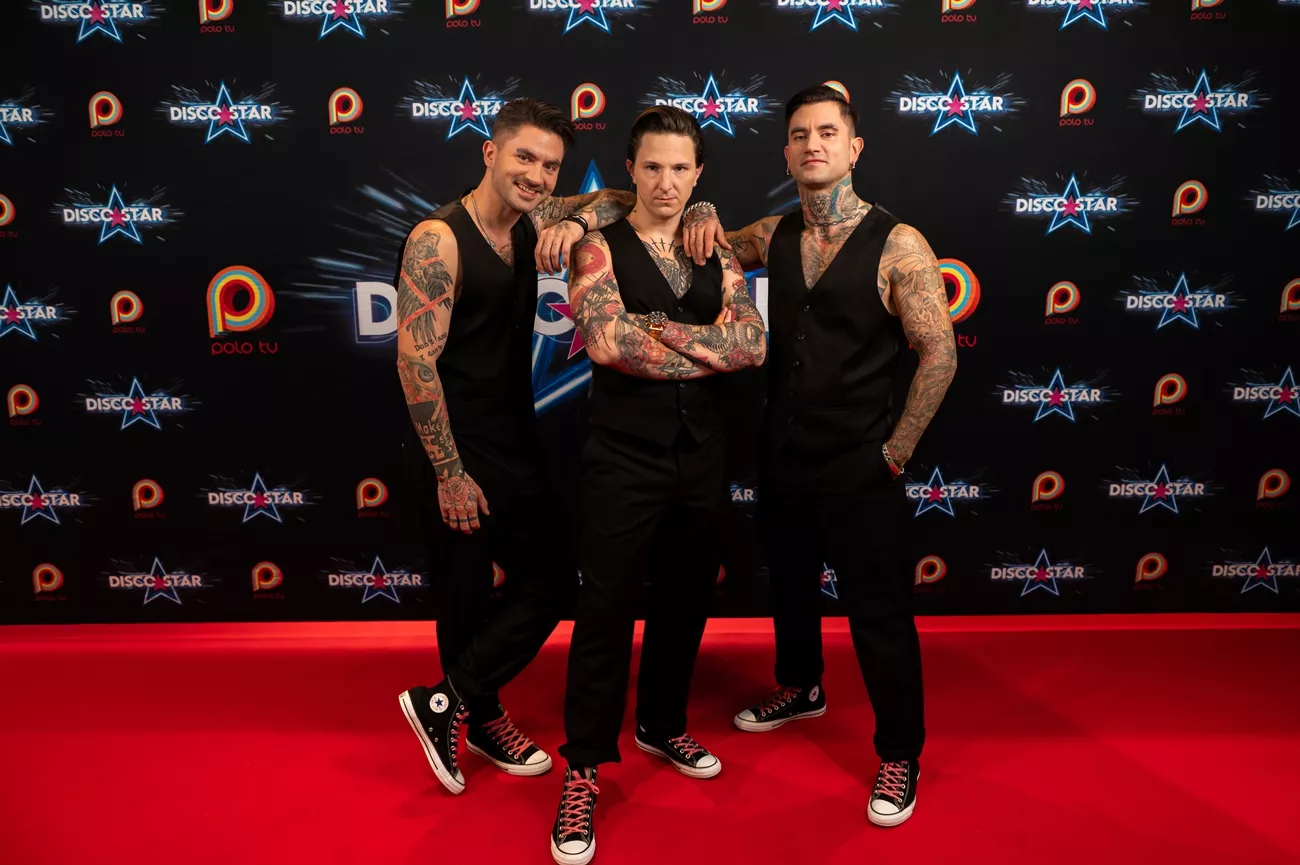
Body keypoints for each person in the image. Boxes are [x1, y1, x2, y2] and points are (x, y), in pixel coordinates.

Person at [683, 84, 958, 828]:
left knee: (879, 613)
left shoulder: (897, 243)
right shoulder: (775, 232)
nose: (813, 144)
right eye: (801, 134)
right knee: (792, 587)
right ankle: (802, 686)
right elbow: (697, 232)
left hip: (861, 462)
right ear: (786, 153)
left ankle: (899, 752)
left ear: (854, 147)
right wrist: (700, 208)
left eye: (828, 132)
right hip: (784, 453)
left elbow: (938, 354)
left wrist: (896, 451)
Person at [395, 98, 676, 797]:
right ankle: (480, 718)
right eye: (524, 156)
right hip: (458, 445)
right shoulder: (439, 239)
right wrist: (449, 471)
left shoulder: (532, 219)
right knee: (465, 595)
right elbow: (415, 362)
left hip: (516, 438)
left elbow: (621, 199)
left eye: (550, 166)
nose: (537, 175)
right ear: (489, 152)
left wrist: (575, 220)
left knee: (550, 580)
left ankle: (449, 698)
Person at [549, 105, 766, 865]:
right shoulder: (596, 246)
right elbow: (609, 343)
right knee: (604, 612)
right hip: (623, 460)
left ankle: (662, 723)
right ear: (631, 171)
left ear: (697, 174)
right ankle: (582, 768)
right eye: (653, 167)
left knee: (684, 600)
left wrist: (662, 330)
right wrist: (705, 346)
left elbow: (752, 343)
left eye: (680, 169)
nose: (667, 182)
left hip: (702, 458)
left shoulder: (715, 246)